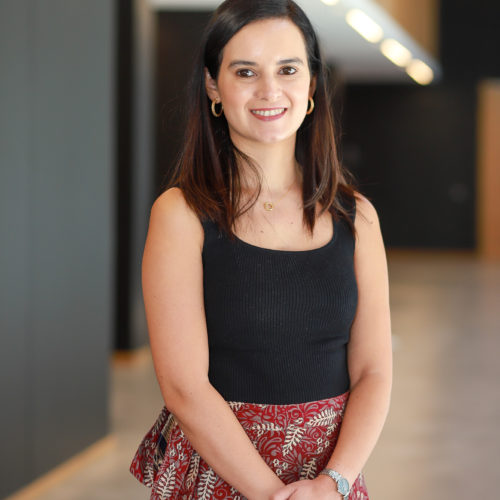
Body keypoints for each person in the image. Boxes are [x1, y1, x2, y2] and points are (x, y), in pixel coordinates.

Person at [129, 0, 392, 498]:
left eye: (287, 69)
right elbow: (184, 387)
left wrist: (332, 482)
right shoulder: (182, 214)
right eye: (245, 71)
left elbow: (374, 371)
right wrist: (273, 494)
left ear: (311, 85)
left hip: (329, 479)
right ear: (213, 86)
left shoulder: (356, 216)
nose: (269, 90)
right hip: (223, 473)